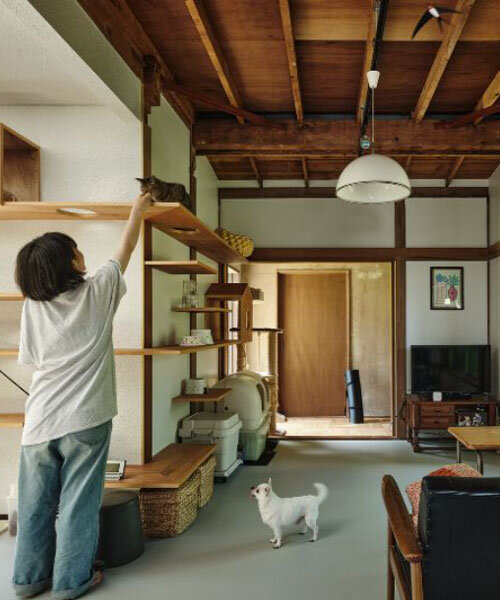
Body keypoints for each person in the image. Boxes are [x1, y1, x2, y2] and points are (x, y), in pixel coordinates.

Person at [12, 193, 151, 599]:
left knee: (35, 505)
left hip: (39, 420)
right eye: (75, 251)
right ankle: (71, 582)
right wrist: (137, 210)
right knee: (77, 504)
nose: (81, 253)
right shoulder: (99, 290)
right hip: (87, 420)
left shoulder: (32, 307)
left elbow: (32, 358)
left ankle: (27, 581)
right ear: (68, 263)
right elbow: (124, 250)